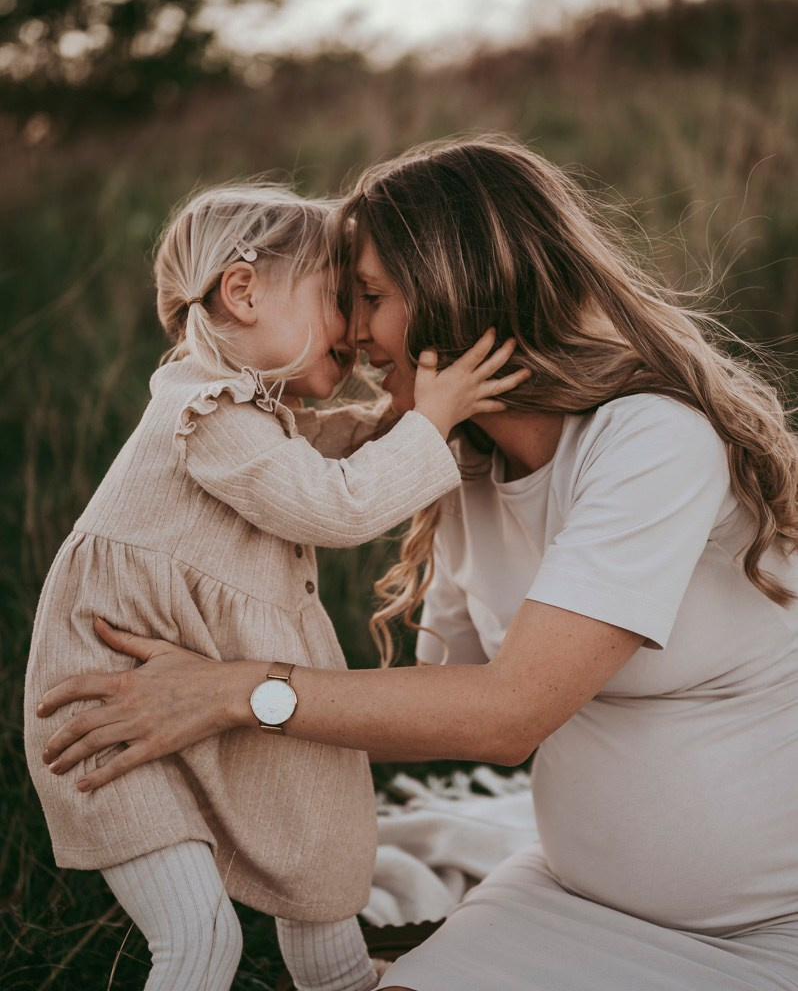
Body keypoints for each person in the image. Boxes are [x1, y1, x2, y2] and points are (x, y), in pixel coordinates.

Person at [36, 139, 798, 991]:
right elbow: (442, 697)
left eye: (366, 298)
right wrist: (192, 720)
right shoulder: (463, 465)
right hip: (564, 896)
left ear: (457, 289)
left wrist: (231, 694)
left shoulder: (651, 442)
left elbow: (505, 718)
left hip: (764, 929)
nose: (352, 337)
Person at [23, 180, 526, 991]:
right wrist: (431, 422)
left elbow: (334, 450)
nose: (355, 332)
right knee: (198, 941)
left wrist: (418, 419)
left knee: (316, 840)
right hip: (112, 712)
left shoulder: (252, 418)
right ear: (245, 290)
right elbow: (338, 503)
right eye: (337, 299)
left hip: (197, 686)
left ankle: (340, 980)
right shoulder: (206, 415)